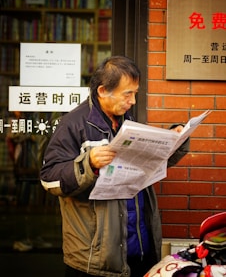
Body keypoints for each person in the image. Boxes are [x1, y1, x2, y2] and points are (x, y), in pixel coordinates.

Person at [40, 56, 189, 277]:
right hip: (95, 258)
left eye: (135, 93)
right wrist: (88, 163)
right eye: (127, 94)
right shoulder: (72, 125)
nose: (133, 101)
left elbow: (150, 163)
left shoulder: (125, 120)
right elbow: (49, 179)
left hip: (138, 250)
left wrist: (176, 141)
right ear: (102, 91)